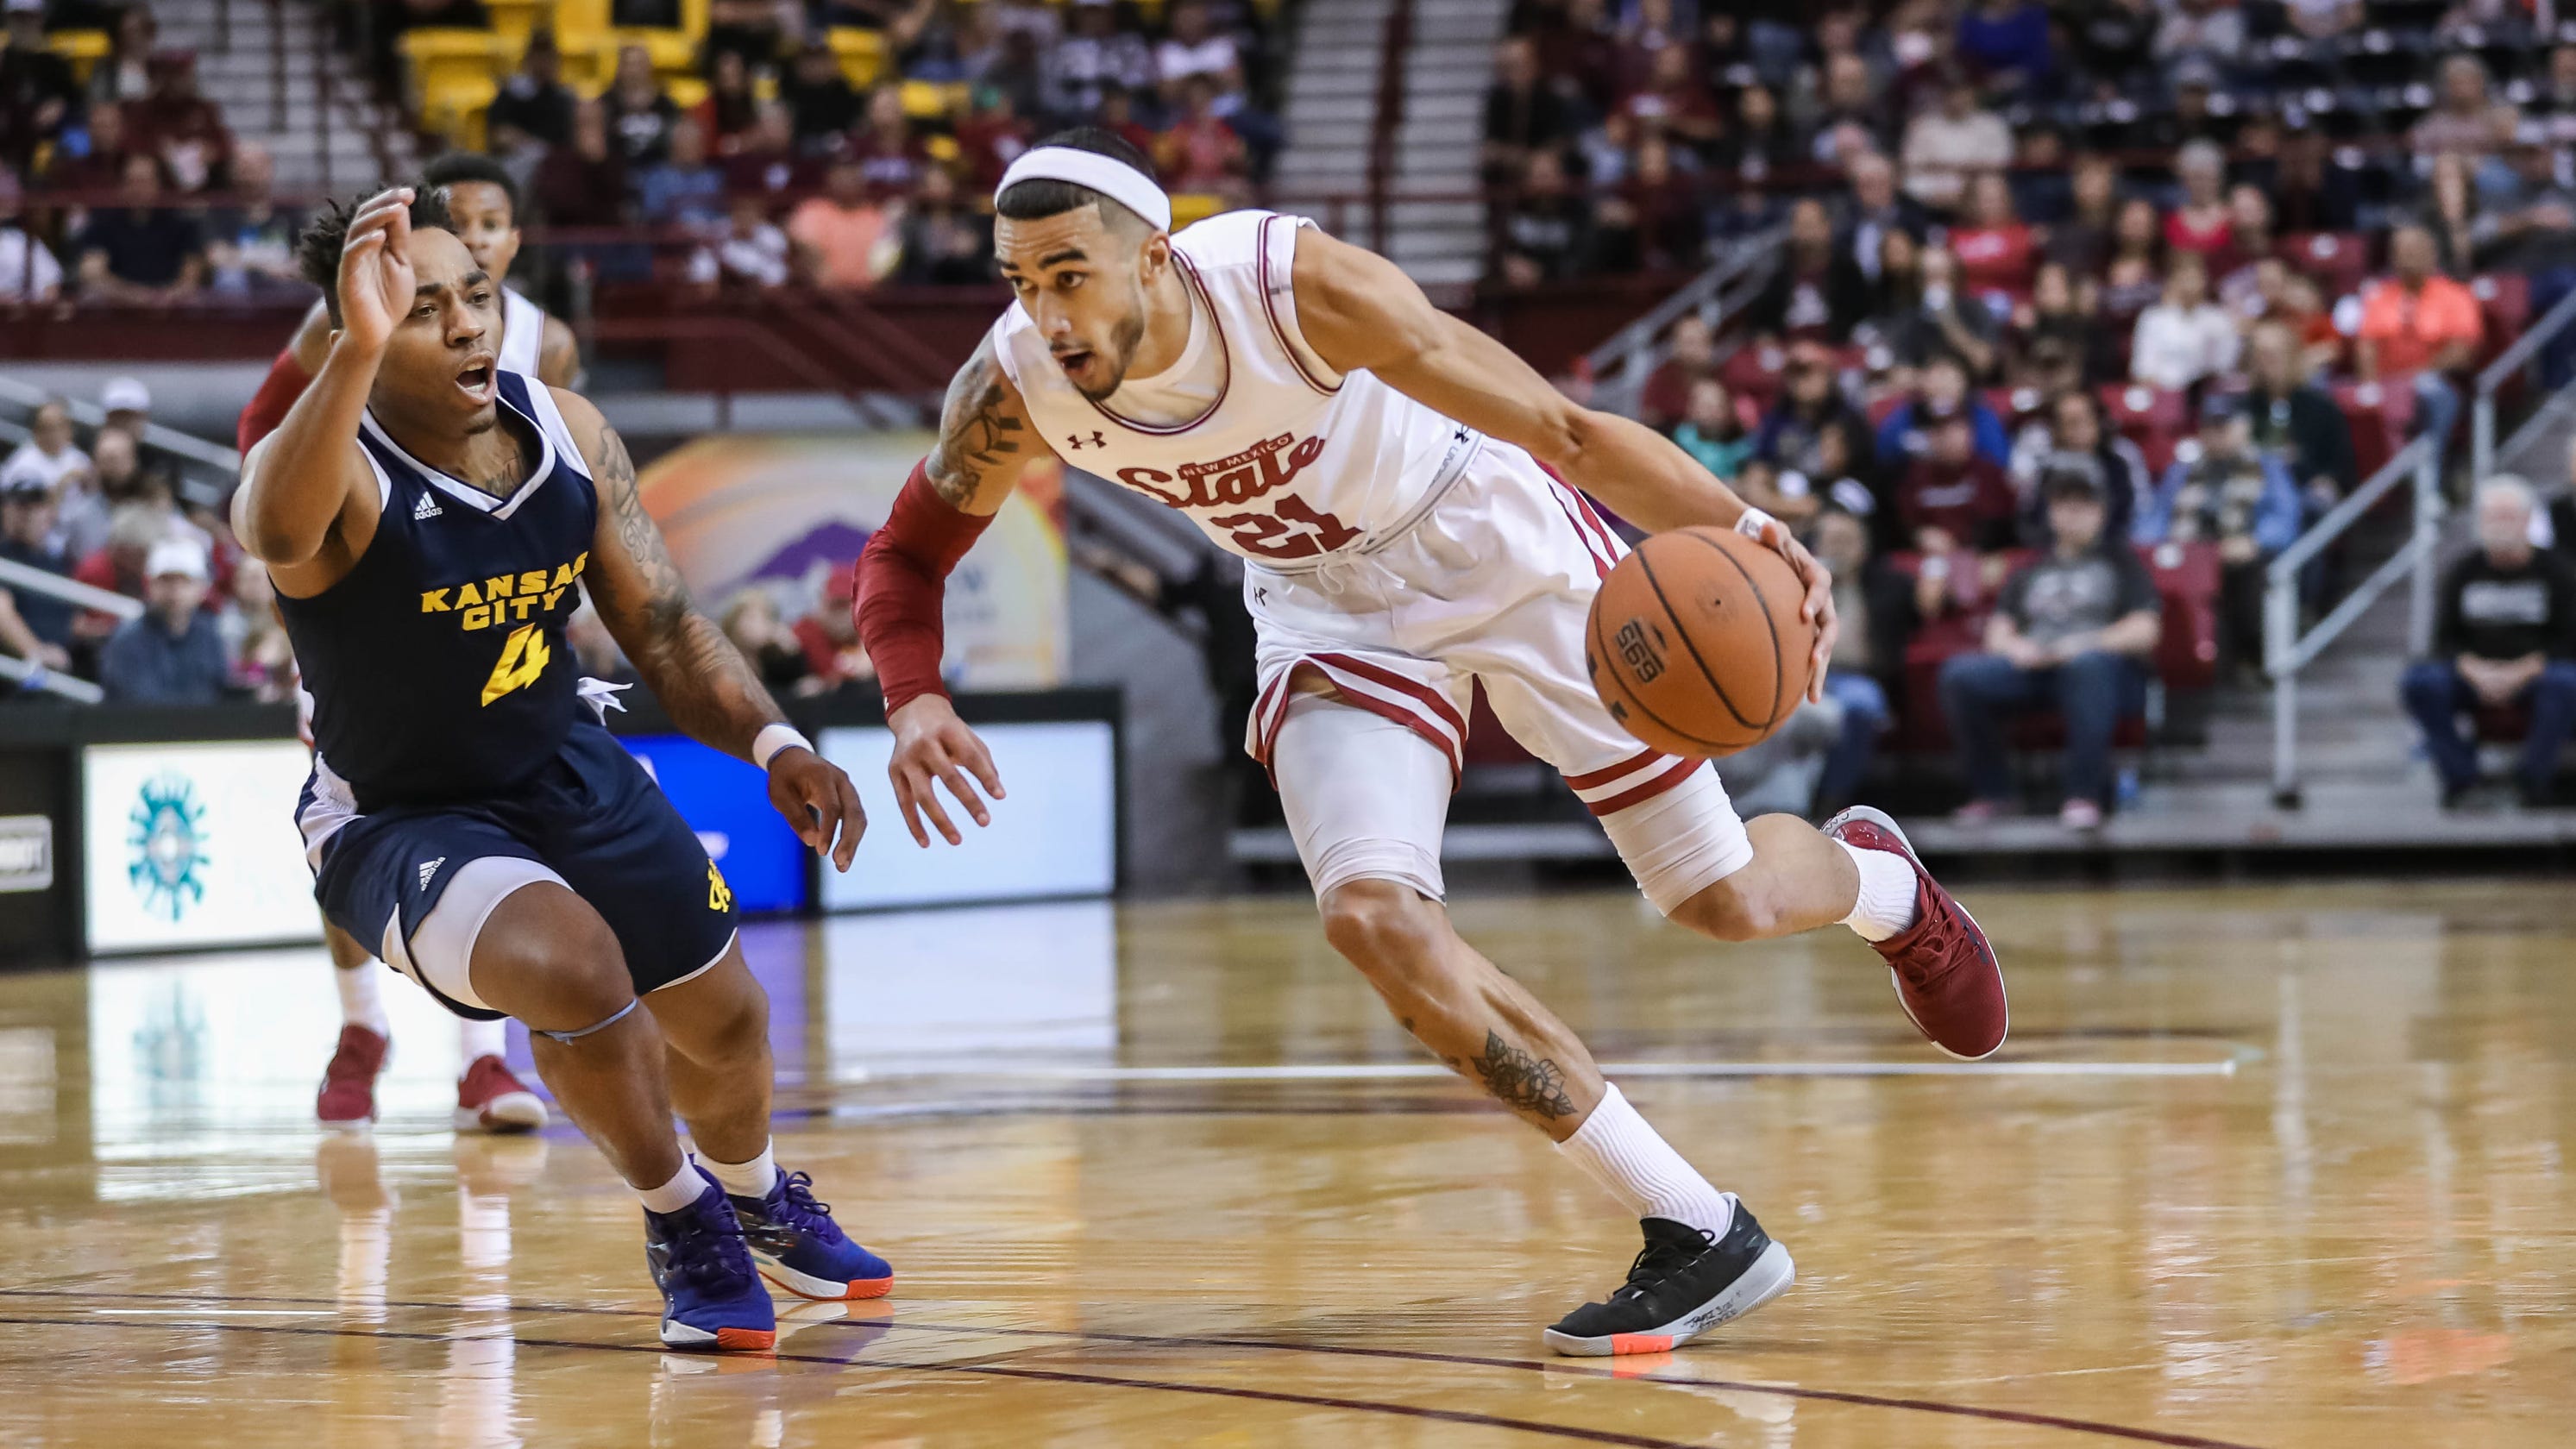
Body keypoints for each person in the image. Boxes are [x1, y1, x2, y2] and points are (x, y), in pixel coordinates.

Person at [852, 129, 2008, 1357]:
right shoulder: (1012, 383)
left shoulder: (1293, 290)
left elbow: (1565, 430)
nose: (1046, 313)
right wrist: (912, 696)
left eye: (1068, 275)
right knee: (1371, 919)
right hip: (1320, 609)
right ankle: (1694, 1225)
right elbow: (906, 553)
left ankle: (1881, 886)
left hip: (1489, 541)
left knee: (1720, 900)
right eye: (1019, 280)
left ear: (1155, 257)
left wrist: (1749, 528)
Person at [238, 185, 883, 1347]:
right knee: (579, 972)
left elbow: (666, 627)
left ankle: (756, 1196)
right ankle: (681, 1218)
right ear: (356, 329)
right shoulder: (337, 462)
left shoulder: (569, 430)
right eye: (422, 308)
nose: (466, 324)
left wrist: (774, 740)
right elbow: (271, 531)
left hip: (561, 764)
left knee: (727, 1018)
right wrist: (355, 349)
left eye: (476, 296)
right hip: (402, 815)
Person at [237, 154, 579, 461]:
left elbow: (556, 464)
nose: (475, 240)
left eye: (490, 224)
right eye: (457, 224)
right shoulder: (351, 320)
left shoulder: (547, 343)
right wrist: (260, 492)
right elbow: (264, 417)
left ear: (514, 241)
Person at [1938, 467, 2161, 830]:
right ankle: (1994, 793)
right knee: (1960, 677)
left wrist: (2079, 645)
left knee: (2088, 667)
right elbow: (1998, 630)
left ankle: (2084, 795)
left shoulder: (2122, 562)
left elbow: (2145, 630)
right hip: (2036, 667)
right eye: (2064, 504)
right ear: (2051, 512)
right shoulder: (2031, 568)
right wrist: (2017, 648)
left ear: (2101, 512)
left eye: (2083, 505)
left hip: (2102, 673)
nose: (2073, 514)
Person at [2402, 476, 2576, 809]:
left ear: (2527, 520)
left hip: (2538, 673)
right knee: (2420, 681)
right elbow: (2444, 641)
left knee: (2567, 681)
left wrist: (2523, 671)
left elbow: (2569, 641)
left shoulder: (2559, 572)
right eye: (2493, 516)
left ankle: (2533, 780)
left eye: (2508, 516)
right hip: (2474, 675)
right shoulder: (2462, 571)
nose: (2501, 525)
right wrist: (2474, 670)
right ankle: (2462, 781)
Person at [2135, 396, 2300, 675]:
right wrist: (2153, 549)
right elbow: (2156, 517)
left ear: (2244, 427)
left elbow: (2285, 517)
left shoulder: (2266, 467)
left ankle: (2249, 657)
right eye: (2209, 426)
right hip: (2188, 558)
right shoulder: (2182, 470)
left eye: (2223, 426)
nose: (2215, 434)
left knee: (2253, 575)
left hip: (2238, 559)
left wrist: (2255, 541)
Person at [1808, 506, 1907, 815]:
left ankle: (1831, 802)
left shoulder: (1888, 586)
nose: (1838, 549)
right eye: (1832, 540)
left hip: (1855, 678)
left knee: (1863, 705)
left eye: (1847, 541)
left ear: (1864, 548)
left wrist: (1848, 581)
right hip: (1803, 678)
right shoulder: (1796, 584)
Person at [2355, 223, 2483, 461]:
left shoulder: (2456, 295)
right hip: (2385, 381)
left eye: (2414, 250)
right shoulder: (2378, 295)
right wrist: (2369, 384)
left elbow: (2461, 350)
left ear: (2432, 253)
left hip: (2433, 380)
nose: (2407, 257)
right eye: (2400, 250)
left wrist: (2413, 377)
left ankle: (2429, 470)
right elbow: (2367, 345)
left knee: (2432, 392)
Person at [100, 536, 227, 703]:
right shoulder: (126, 640)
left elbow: (220, 692)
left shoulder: (210, 636)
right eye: (166, 580)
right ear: (150, 585)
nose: (175, 591)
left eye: (185, 581)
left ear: (202, 588)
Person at [2128, 250, 2236, 394]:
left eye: (2194, 278)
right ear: (2172, 281)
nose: (2189, 285)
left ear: (2205, 281)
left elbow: (2224, 366)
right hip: (2161, 393)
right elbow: (2142, 367)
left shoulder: (2219, 319)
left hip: (2203, 394)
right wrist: (2164, 393)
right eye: (2184, 278)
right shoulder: (2153, 318)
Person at [789, 159, 900, 289]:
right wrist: (828, 283)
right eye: (841, 177)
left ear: (862, 181)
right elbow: (810, 253)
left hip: (870, 294)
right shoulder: (812, 210)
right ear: (829, 179)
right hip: (821, 294)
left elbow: (886, 260)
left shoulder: (878, 217)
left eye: (852, 177)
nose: (847, 183)